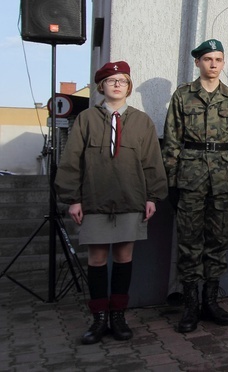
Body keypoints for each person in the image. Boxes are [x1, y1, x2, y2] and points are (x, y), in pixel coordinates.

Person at [55, 61, 168, 345]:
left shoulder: (142, 121)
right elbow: (71, 160)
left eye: (122, 80)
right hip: (95, 201)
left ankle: (118, 316)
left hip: (131, 200)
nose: (117, 85)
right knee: (96, 259)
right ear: (101, 86)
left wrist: (152, 196)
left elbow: (152, 161)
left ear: (128, 87)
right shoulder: (87, 119)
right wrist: (73, 199)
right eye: (111, 80)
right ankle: (98, 319)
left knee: (123, 257)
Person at [162, 39, 228, 333]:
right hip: (190, 176)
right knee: (188, 242)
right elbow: (172, 141)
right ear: (197, 62)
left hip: (224, 178)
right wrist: (172, 182)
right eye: (208, 59)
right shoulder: (183, 96)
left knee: (218, 241)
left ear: (223, 64)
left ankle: (211, 301)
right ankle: (191, 305)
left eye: (218, 59)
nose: (213, 64)